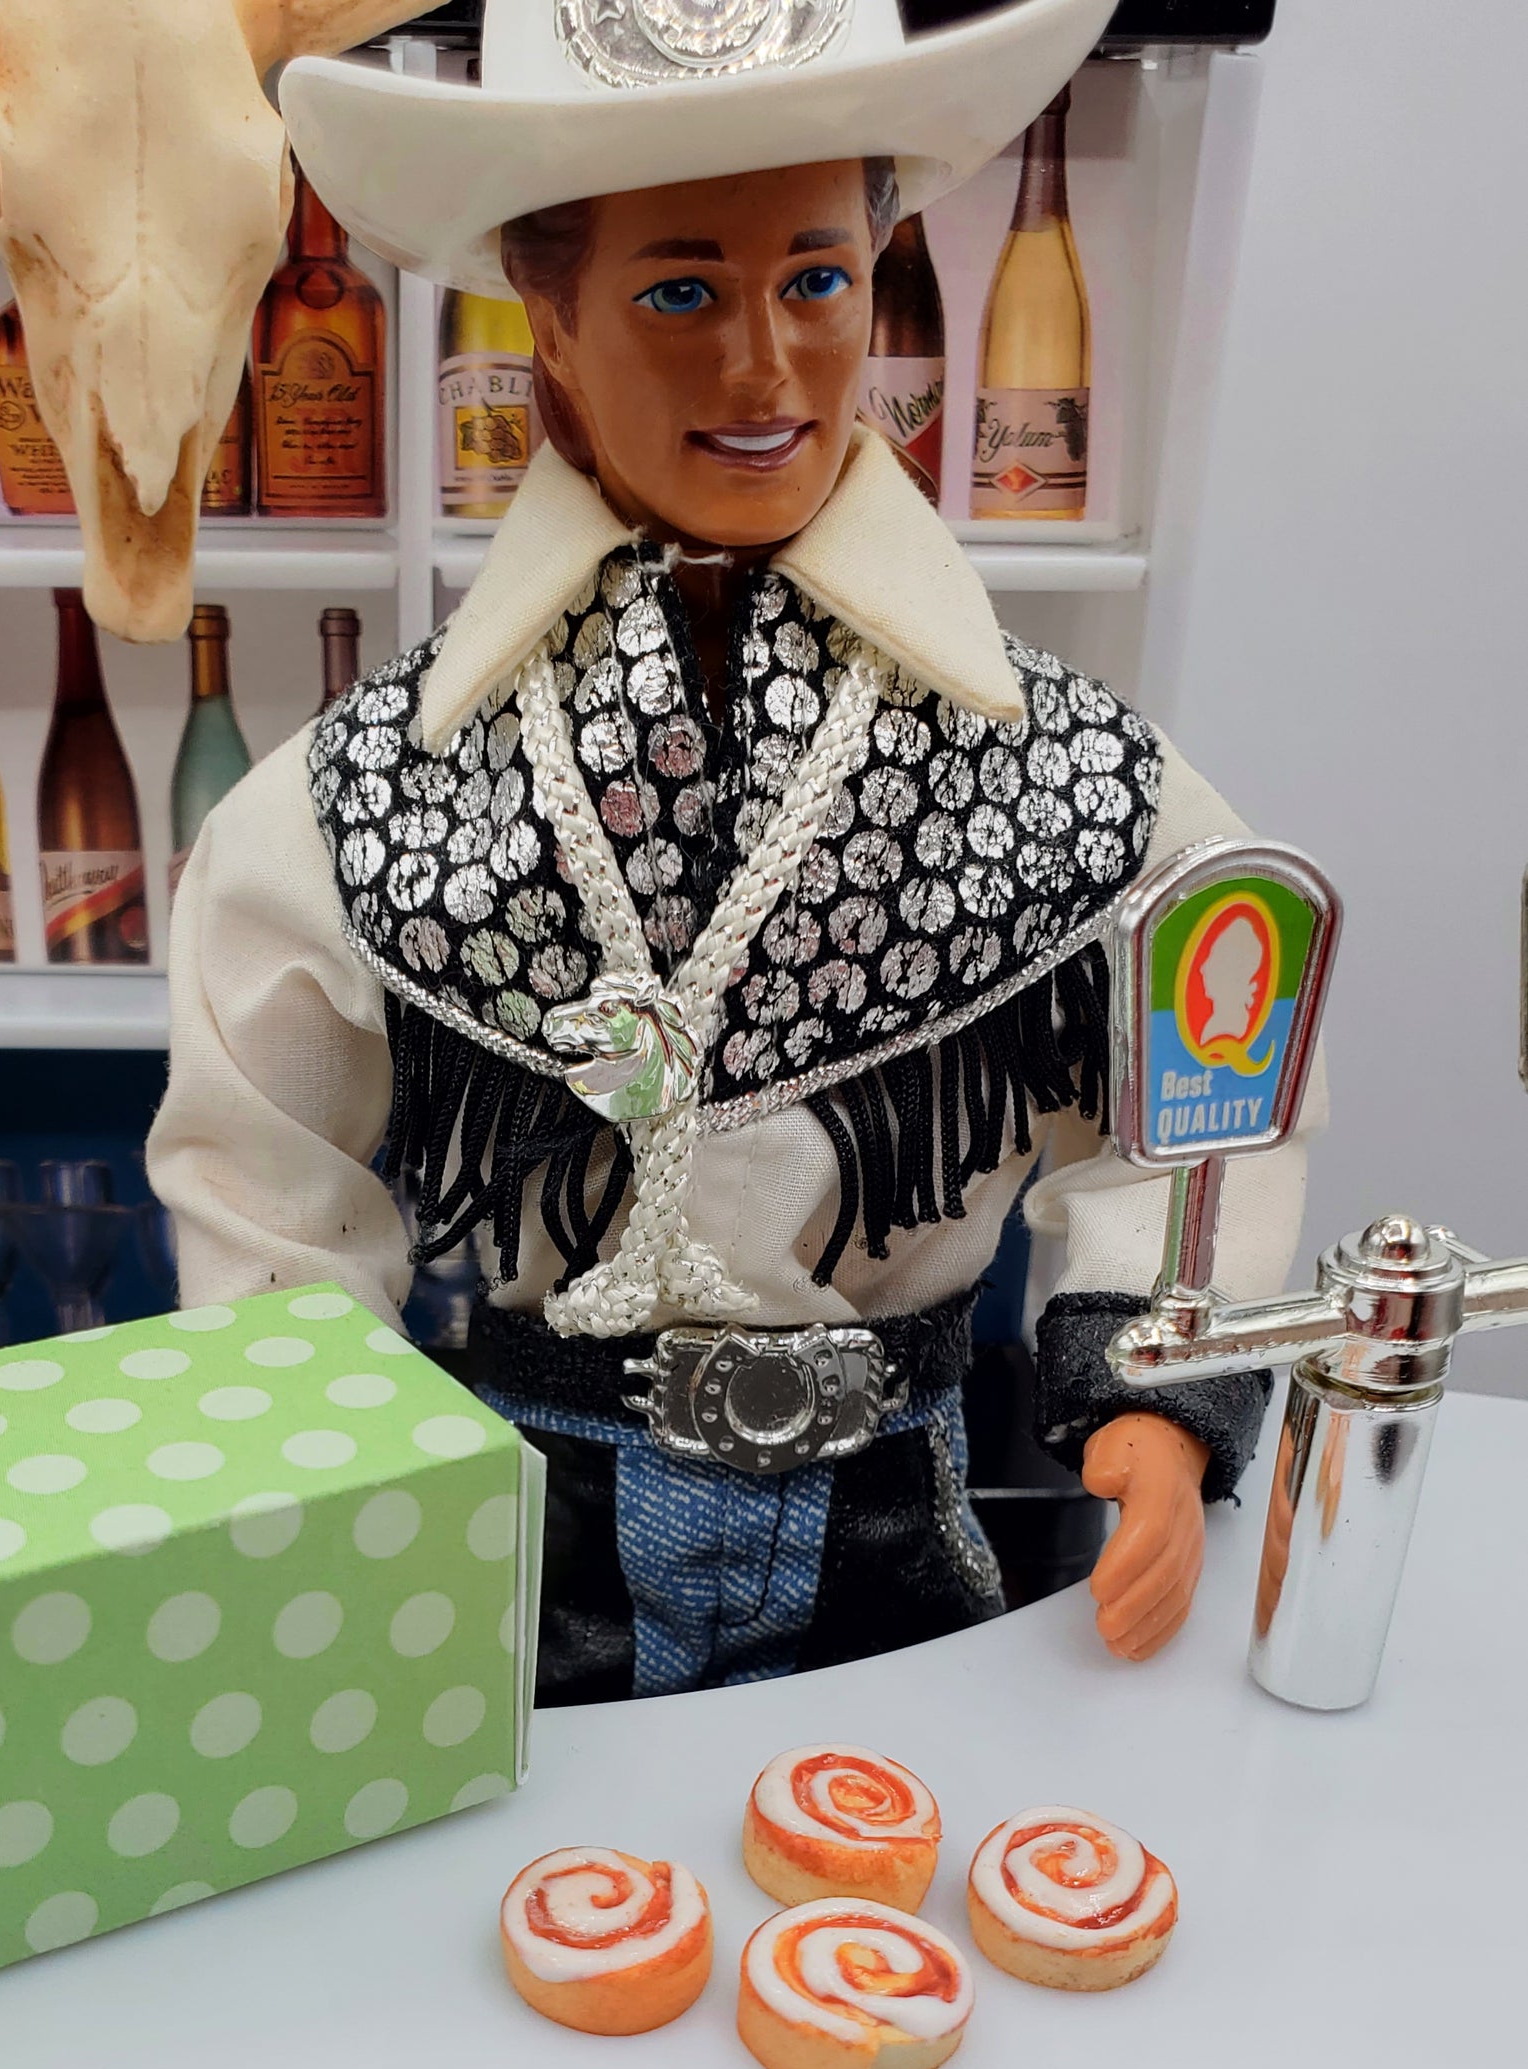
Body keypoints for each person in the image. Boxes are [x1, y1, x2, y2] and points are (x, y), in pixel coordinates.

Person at [148, 0, 1322, 1705]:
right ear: (544, 317)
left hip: (891, 1505)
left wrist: (1152, 1400)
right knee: (539, 1931)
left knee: (877, 1914)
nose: (765, 367)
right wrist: (310, 1490)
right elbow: (263, 1179)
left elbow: (1205, 1084)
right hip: (520, 1521)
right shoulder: (370, 791)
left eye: (819, 280)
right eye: (679, 291)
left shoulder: (1056, 766)